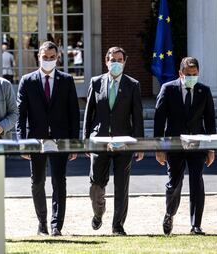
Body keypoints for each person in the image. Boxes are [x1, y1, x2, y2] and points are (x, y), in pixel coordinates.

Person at [17, 41, 80, 236]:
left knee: (59, 182)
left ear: (58, 57)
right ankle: (42, 223)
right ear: (39, 56)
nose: (49, 60)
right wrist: (22, 143)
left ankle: (56, 225)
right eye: (45, 57)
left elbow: (74, 114)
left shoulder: (67, 80)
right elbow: (21, 115)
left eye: (52, 57)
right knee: (37, 182)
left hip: (61, 140)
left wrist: (74, 143)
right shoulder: (27, 81)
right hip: (36, 140)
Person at [82, 46, 144, 236]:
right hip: (99, 140)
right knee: (96, 184)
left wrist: (138, 143)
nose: (115, 63)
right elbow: (89, 112)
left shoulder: (133, 85)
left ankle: (117, 226)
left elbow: (137, 116)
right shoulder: (96, 82)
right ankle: (98, 213)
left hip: (123, 141)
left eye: (119, 60)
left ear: (124, 62)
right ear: (106, 61)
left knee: (121, 185)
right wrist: (86, 139)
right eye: (112, 59)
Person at [154, 56, 216, 236]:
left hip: (197, 144)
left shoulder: (204, 91)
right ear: (180, 73)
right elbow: (159, 120)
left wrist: (211, 148)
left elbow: (210, 121)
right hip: (174, 144)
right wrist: (159, 147)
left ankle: (196, 225)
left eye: (195, 74)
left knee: (197, 181)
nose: (191, 77)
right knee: (174, 182)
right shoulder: (168, 89)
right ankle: (169, 214)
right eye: (188, 74)